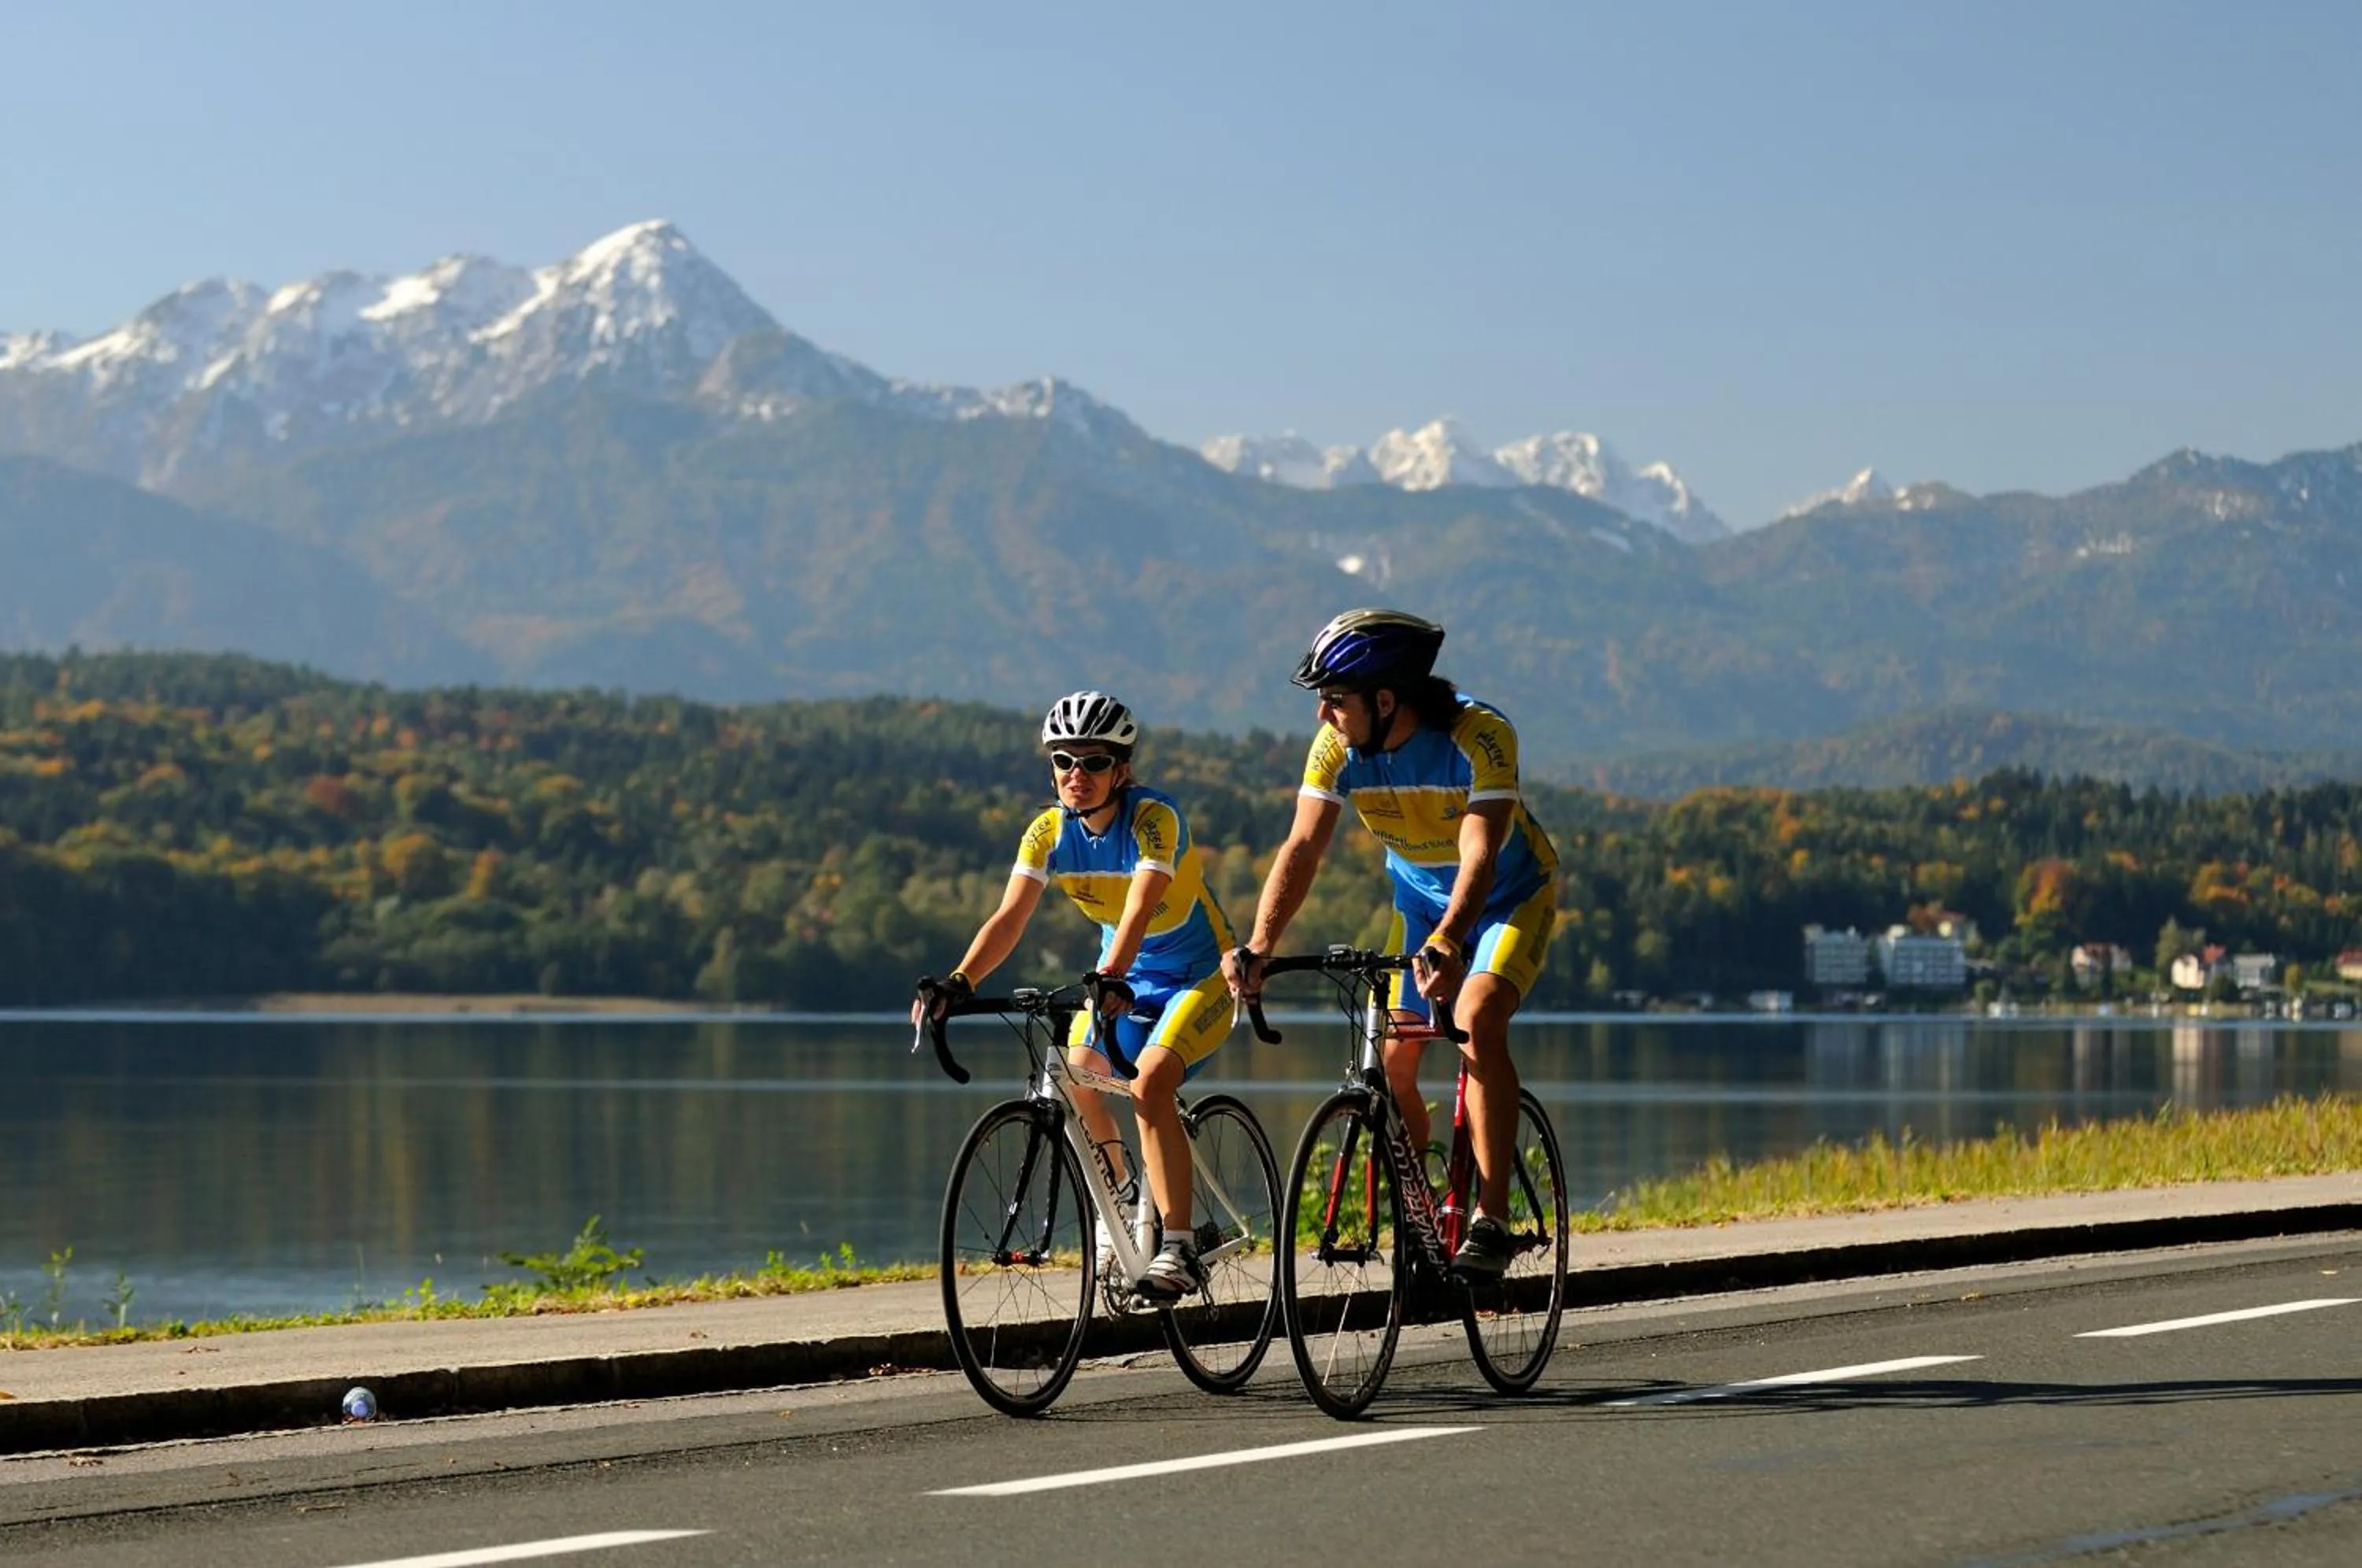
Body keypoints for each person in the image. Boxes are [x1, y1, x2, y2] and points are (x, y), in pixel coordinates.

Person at [1224, 609, 1557, 1278]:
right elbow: (1303, 846)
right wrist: (1260, 943)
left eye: (1334, 700)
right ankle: (1421, 1215)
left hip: (1507, 897)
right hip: (1419, 908)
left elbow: (1480, 850)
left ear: (1385, 700)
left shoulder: (1479, 735)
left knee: (1476, 1020)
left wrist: (1451, 940)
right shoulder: (1336, 747)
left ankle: (1491, 1220)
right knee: (1392, 1057)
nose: (1322, 715)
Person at [916, 690, 1236, 1300]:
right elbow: (1011, 917)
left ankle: (1178, 1247)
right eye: (1063, 761)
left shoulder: (1154, 820)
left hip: (1198, 976)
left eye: (1093, 762)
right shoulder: (1047, 831)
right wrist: (961, 981)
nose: (1076, 774)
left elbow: (1140, 907)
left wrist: (1111, 972)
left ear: (1122, 770)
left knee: (1150, 1083)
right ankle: (1121, 1208)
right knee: (1077, 1076)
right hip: (1120, 979)